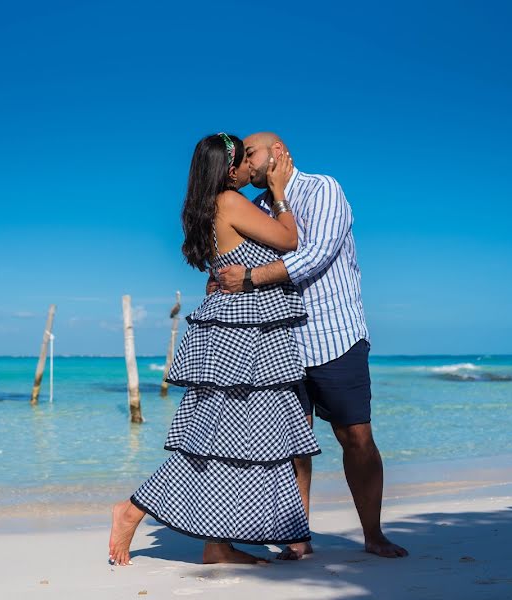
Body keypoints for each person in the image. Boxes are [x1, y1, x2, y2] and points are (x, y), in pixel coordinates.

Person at [108, 133, 320, 566]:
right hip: (241, 337)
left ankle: (217, 545)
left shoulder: (209, 206)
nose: (249, 168)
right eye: (243, 161)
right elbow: (289, 240)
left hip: (235, 333)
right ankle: (131, 510)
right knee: (223, 439)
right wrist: (279, 194)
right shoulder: (229, 202)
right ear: (229, 170)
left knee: (233, 442)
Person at [215, 131, 409, 559]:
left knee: (356, 437)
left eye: (251, 154)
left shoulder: (323, 189)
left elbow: (315, 254)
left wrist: (249, 278)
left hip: (335, 335)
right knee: (294, 446)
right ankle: (298, 538)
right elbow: (239, 257)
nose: (246, 165)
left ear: (278, 153)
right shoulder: (259, 208)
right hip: (282, 341)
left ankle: (373, 535)